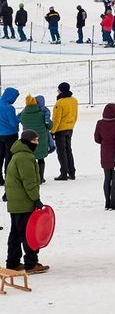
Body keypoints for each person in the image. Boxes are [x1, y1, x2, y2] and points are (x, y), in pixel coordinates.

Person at [5, 130, 47, 274]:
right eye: (35, 140)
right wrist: (36, 199)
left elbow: (11, 178)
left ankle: (13, 263)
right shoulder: (25, 157)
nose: (37, 143)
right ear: (27, 141)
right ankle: (31, 263)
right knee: (28, 234)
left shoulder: (16, 155)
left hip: (15, 203)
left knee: (16, 234)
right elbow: (29, 182)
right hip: (24, 203)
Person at [48, 83, 77, 181]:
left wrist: (52, 131)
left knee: (61, 152)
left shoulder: (59, 103)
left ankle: (64, 173)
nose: (57, 91)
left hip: (60, 130)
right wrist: (71, 125)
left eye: (58, 89)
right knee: (69, 150)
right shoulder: (74, 100)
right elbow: (75, 115)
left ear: (61, 90)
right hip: (70, 128)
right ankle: (72, 172)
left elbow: (56, 119)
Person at [0, 87, 18, 174]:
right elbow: (13, 123)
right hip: (11, 135)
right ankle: (9, 176)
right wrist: (19, 118)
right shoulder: (10, 108)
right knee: (9, 157)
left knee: (0, 156)